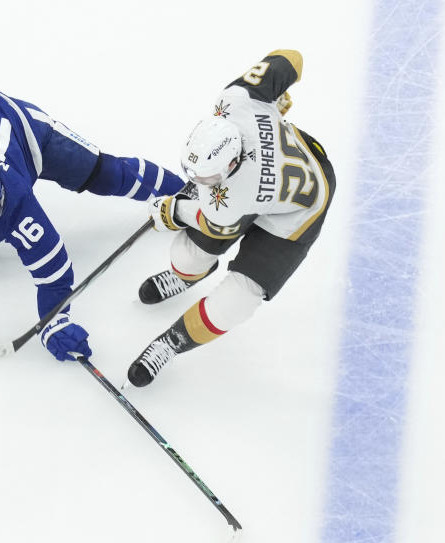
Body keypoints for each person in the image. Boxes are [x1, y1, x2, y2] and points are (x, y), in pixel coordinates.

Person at [0, 88, 184, 361]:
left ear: (2, 191)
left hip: (24, 128)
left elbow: (52, 266)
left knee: (106, 174)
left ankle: (185, 192)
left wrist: (55, 321)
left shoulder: (17, 198)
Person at [126, 50, 336, 386]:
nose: (199, 182)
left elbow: (212, 221)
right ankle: (187, 277)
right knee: (187, 257)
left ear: (230, 165)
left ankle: (170, 342)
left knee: (235, 302)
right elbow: (291, 57)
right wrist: (270, 98)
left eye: (206, 179)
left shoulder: (231, 195)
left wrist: (173, 212)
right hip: (276, 175)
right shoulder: (238, 101)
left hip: (295, 216)